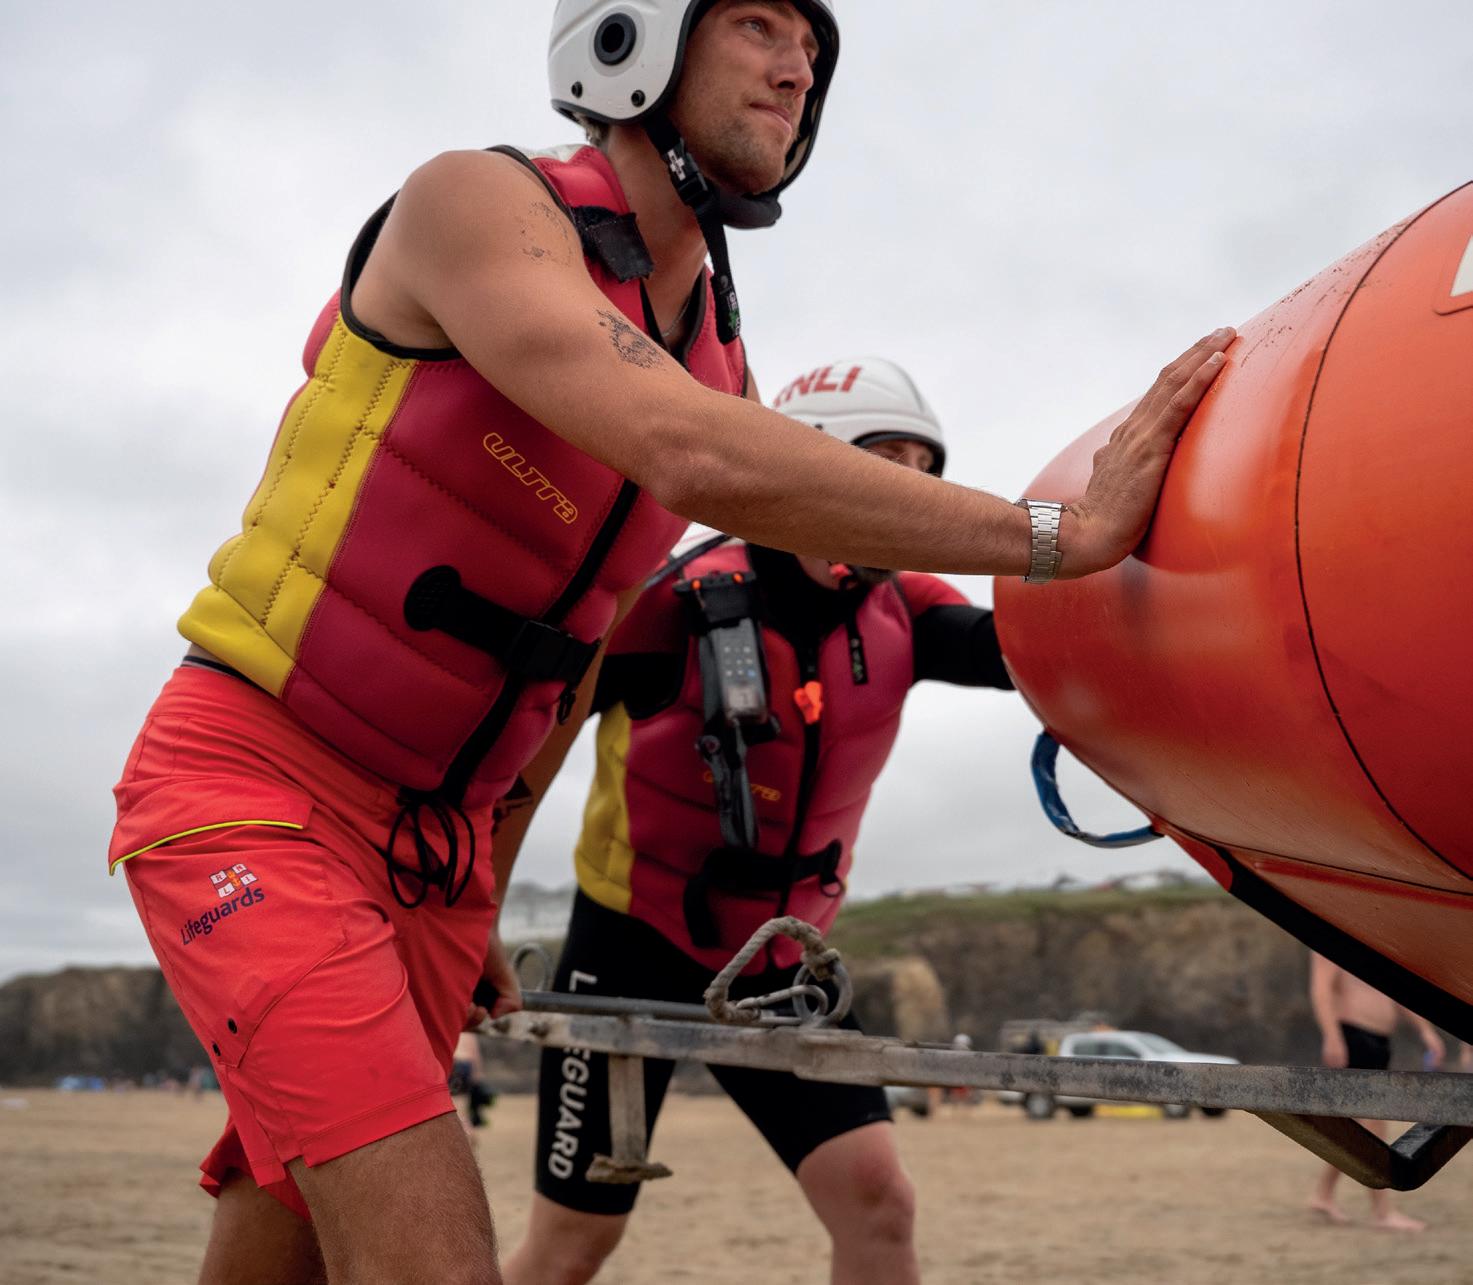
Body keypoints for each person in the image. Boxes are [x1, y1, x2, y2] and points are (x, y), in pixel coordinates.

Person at [105, 2, 1232, 1281]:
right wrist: (1061, 531)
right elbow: (690, 450)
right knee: (435, 1247)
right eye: (758, 24)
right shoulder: (475, 204)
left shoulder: (717, 356)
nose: (798, 67)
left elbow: (563, 667)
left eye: (814, 52)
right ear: (629, 37)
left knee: (290, 1219)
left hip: (435, 853)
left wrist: (478, 885)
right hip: (260, 778)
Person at [504, 358, 1016, 1285]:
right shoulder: (676, 597)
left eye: (923, 471)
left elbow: (1027, 654)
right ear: (805, 463)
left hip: (781, 960)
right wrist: (467, 899)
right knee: (572, 1246)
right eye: (883, 463)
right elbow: (520, 730)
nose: (908, 494)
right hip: (626, 945)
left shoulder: (905, 607)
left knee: (878, 1201)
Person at [1307, 952, 1445, 1231]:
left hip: (1379, 1042)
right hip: (1352, 1037)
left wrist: (1426, 1030)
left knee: (1356, 1127)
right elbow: (1320, 990)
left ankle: (1323, 1195)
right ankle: (1382, 1212)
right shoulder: (1329, 940)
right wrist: (1332, 1037)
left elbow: (1396, 993)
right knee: (1372, 1127)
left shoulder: (1374, 943)